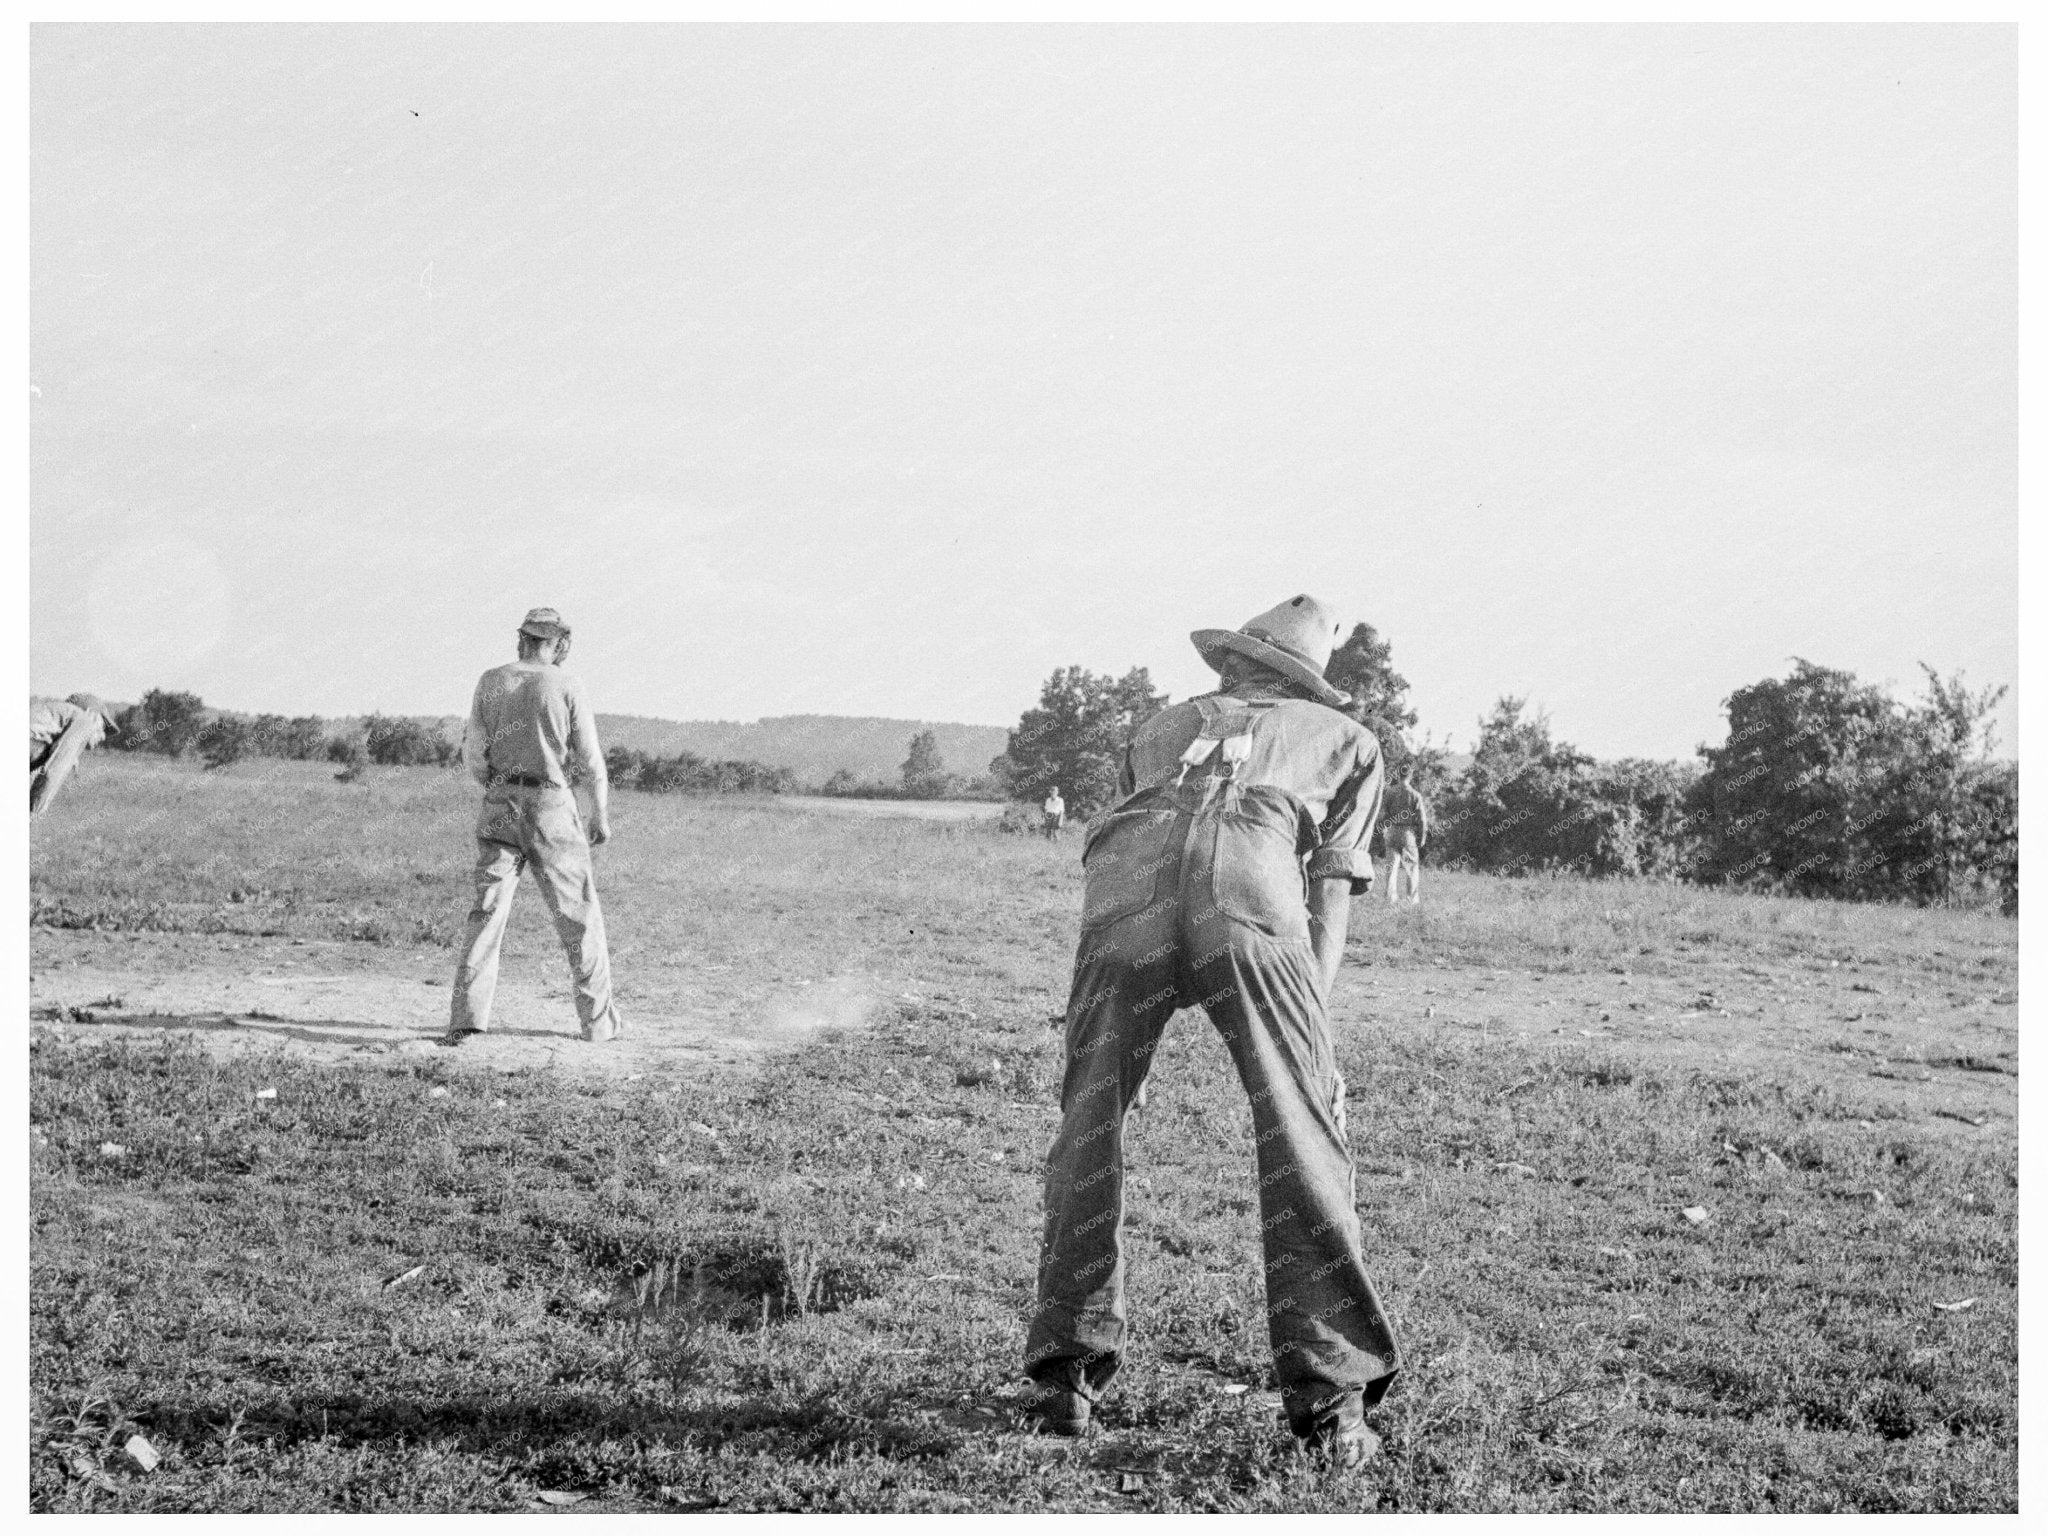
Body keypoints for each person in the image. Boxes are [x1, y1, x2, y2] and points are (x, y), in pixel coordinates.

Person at [1023, 594, 1399, 1469]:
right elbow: (1329, 893)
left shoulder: (1158, 726)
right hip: (1251, 893)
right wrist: (1314, 1039)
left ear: (1233, 666)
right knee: (1299, 1132)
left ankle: (1063, 1379)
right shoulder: (1349, 742)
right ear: (1307, 682)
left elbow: (1140, 829)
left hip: (1125, 902)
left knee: (1090, 1126)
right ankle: (1330, 1405)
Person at [447, 607, 625, 1043]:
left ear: (521, 638)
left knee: (486, 912)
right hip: (551, 803)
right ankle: (598, 1024)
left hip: (500, 802)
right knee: (579, 916)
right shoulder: (567, 684)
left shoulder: (491, 680)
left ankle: (467, 1020)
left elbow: (473, 752)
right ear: (558, 643)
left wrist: (495, 785)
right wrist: (599, 811)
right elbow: (590, 758)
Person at [30, 693, 120, 812]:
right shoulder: (85, 719)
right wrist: (32, 813)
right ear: (91, 713)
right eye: (102, 727)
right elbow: (54, 772)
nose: (103, 736)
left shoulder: (52, 716)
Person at [1381, 765, 1431, 904]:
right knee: (1411, 867)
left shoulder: (1390, 792)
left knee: (1391, 867)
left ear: (1398, 775)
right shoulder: (1415, 795)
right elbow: (1422, 820)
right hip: (1407, 833)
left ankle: (1390, 899)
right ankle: (1411, 899)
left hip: (1392, 832)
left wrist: (1386, 829)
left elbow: (1383, 814)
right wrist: (1422, 837)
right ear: (1410, 776)